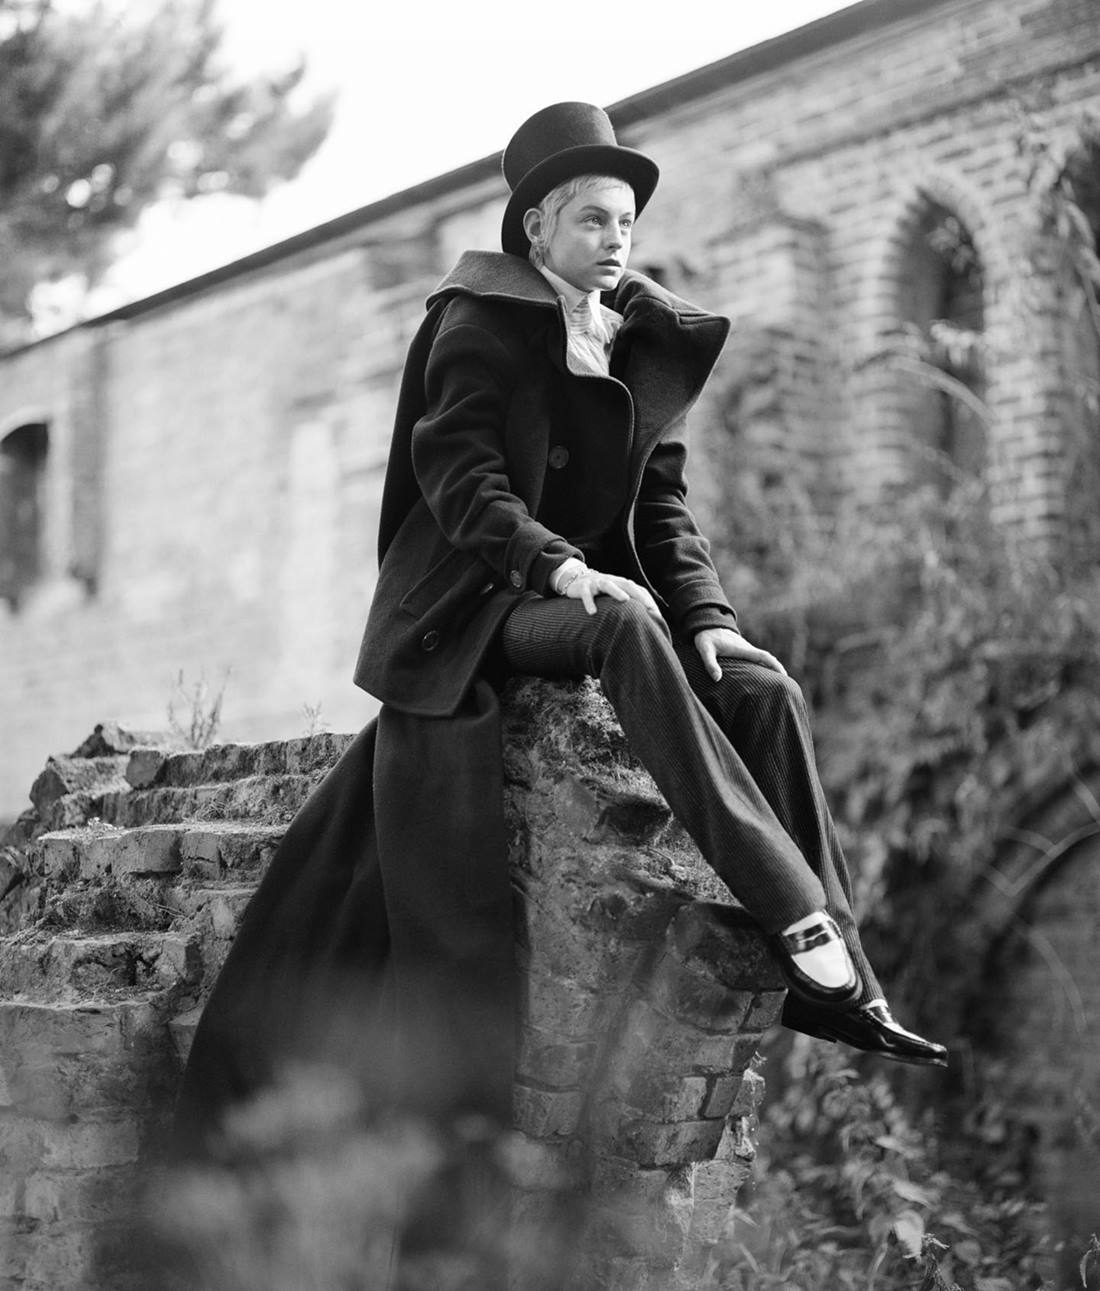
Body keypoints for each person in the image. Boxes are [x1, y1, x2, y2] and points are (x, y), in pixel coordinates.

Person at [176, 101, 944, 1155]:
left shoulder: (638, 334)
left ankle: (838, 973)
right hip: (472, 606)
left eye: (624, 219)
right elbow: (460, 484)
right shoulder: (476, 322)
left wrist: (710, 620)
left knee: (762, 684)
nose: (615, 238)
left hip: (586, 586)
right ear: (534, 229)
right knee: (620, 634)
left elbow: (664, 510)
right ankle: (789, 902)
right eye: (591, 220)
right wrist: (564, 567)